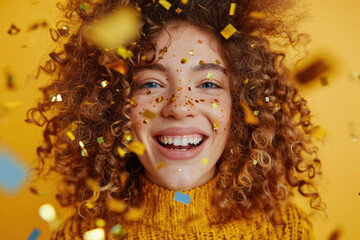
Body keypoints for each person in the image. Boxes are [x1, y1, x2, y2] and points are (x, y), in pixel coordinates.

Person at [27, 0, 324, 239]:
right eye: (150, 84)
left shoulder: (285, 231)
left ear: (241, 108)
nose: (180, 107)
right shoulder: (79, 236)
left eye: (208, 84)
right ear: (113, 109)